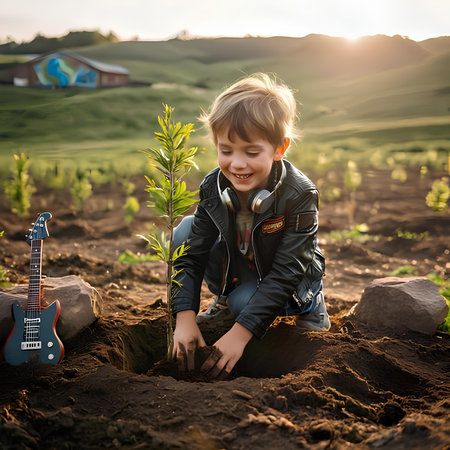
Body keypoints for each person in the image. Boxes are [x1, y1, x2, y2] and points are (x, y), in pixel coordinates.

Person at [171, 73, 330, 378]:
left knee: (246, 304)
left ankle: (312, 305)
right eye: (226, 150)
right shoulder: (213, 187)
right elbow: (193, 255)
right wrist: (185, 318)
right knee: (184, 232)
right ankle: (225, 298)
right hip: (243, 268)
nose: (237, 164)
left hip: (288, 277)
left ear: (279, 148)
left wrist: (239, 336)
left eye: (252, 152)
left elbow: (287, 271)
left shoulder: (300, 194)